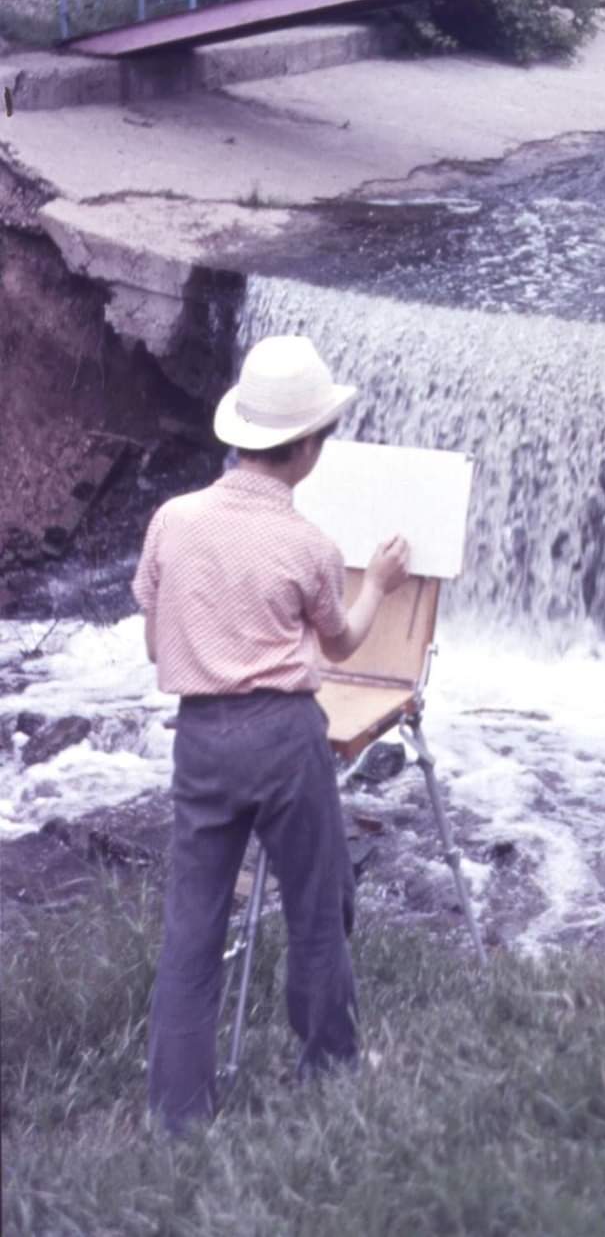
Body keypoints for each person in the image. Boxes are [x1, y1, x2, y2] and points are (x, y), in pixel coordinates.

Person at [133, 334, 410, 1135]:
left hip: (202, 738)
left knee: (193, 926)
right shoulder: (310, 547)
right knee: (318, 907)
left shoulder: (172, 520)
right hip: (287, 739)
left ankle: (177, 1117)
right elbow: (344, 644)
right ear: (309, 447)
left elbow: (157, 642)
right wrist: (382, 585)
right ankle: (328, 1070)